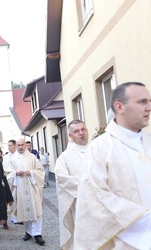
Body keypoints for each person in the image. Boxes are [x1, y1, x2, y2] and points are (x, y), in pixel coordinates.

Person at [74, 82, 151, 249]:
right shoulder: (100, 148)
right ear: (120, 107)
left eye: (149, 101)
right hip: (124, 242)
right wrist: (144, 219)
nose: (149, 107)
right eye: (142, 102)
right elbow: (93, 198)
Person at [54, 120, 89, 250]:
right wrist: (89, 183)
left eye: (83, 129)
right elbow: (62, 180)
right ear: (70, 136)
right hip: (79, 206)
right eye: (76, 131)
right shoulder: (64, 158)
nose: (81, 133)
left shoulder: (97, 152)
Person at [4, 138, 45, 246]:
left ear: (25, 145)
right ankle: (27, 232)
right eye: (18, 145)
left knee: (36, 209)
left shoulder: (32, 157)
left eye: (22, 145)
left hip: (32, 188)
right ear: (16, 146)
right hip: (20, 189)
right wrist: (15, 173)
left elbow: (40, 171)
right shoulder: (12, 159)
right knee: (24, 210)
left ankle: (37, 234)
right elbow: (7, 174)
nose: (21, 147)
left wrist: (31, 173)